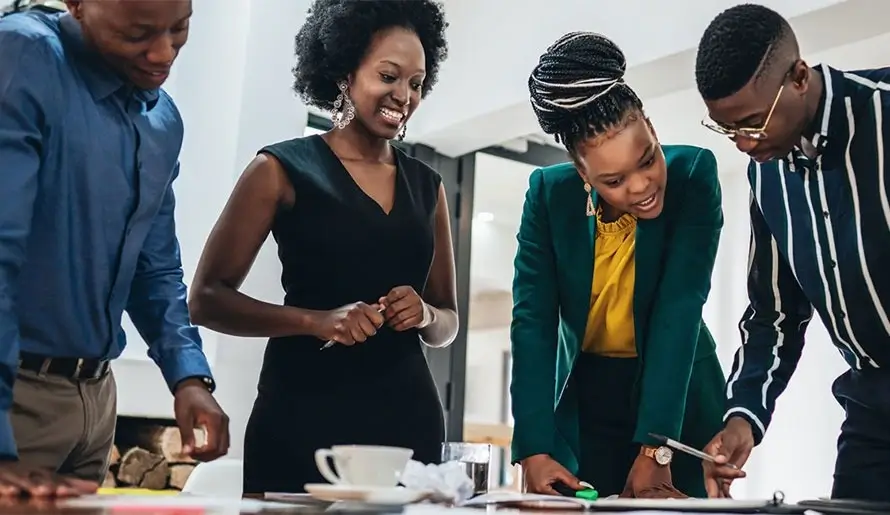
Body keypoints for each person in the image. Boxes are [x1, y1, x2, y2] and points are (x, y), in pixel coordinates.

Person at [187, 0, 457, 494]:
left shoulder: (429, 186)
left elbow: (447, 322)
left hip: (406, 426)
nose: (405, 95)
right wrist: (315, 321)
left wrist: (423, 314)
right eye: (389, 76)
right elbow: (206, 298)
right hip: (302, 415)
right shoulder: (279, 169)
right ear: (343, 71)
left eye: (416, 83)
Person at [0, 0, 229, 498]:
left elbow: (155, 265)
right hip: (14, 400)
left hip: (96, 402)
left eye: (180, 28)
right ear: (78, 5)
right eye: (139, 33)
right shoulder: (21, 56)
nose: (163, 52)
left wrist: (188, 376)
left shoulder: (163, 119)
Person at [510, 31, 726, 499]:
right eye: (613, 180)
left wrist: (658, 450)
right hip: (589, 400)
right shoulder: (548, 196)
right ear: (582, 173)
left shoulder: (694, 176)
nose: (641, 187)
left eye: (647, 158)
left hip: (678, 396)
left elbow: (679, 309)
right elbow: (533, 324)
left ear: (650, 125)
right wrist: (534, 448)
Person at [694, 3, 890, 501]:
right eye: (728, 127)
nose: (742, 143)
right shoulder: (768, 170)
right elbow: (774, 313)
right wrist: (743, 415)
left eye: (753, 122)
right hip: (872, 404)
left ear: (799, 76)